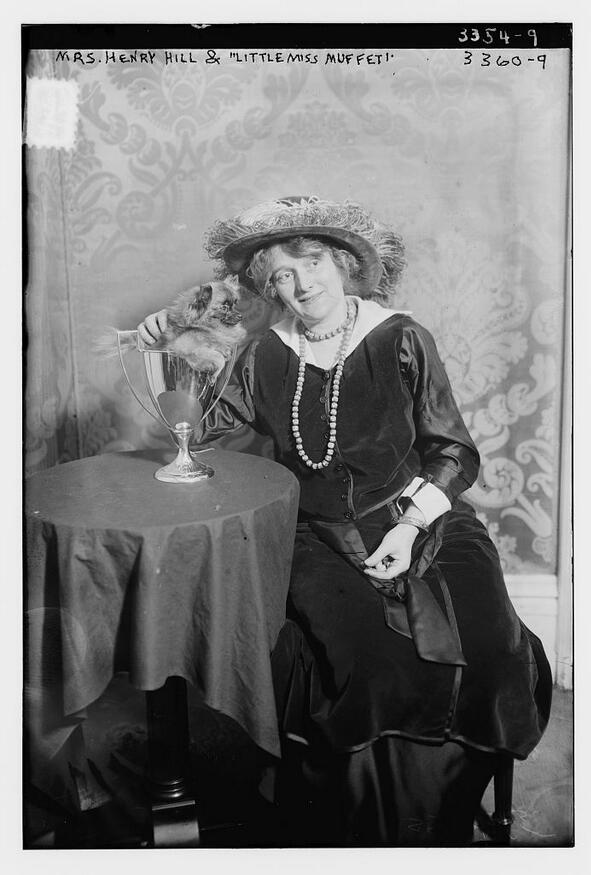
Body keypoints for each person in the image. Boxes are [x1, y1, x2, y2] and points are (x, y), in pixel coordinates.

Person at [138, 195, 552, 846]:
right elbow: (204, 436)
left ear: (339, 264)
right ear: (268, 288)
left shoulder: (401, 337)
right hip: (316, 533)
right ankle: (378, 833)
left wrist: (408, 527)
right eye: (281, 275)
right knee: (372, 665)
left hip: (423, 519)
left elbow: (453, 451)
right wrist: (188, 351)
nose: (301, 284)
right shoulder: (263, 353)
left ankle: (441, 827)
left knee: (488, 651)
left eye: (310, 263)